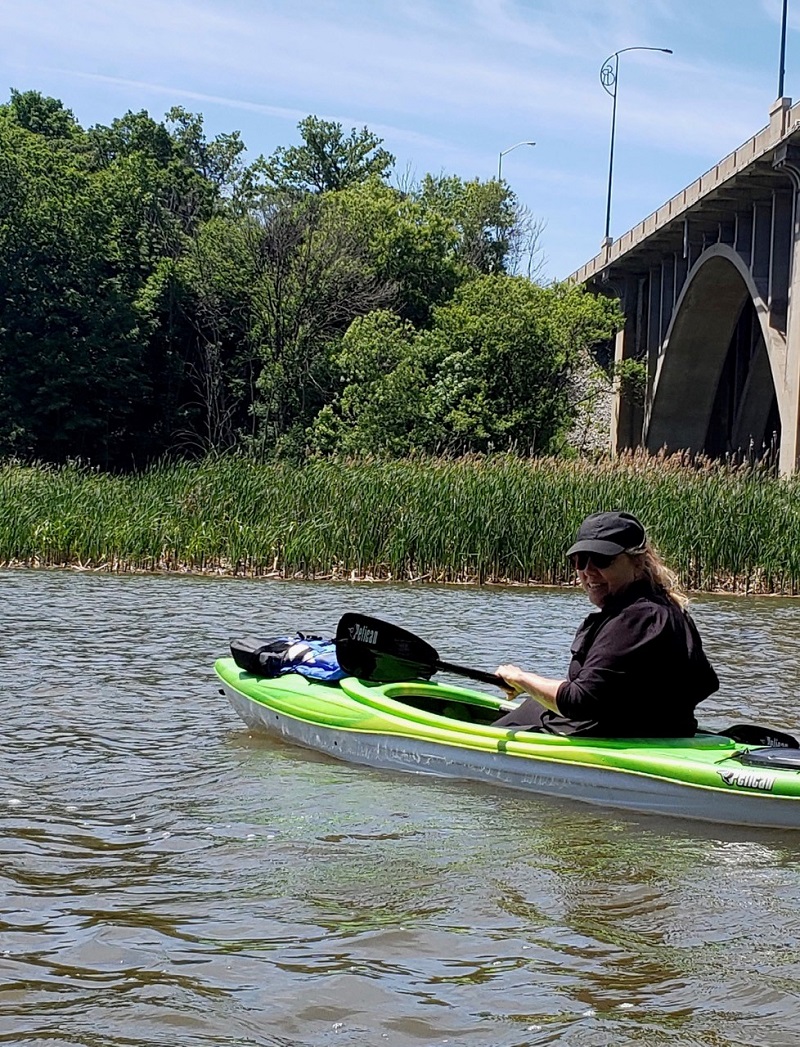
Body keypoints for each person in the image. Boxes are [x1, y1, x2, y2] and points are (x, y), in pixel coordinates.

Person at [493, 510, 719, 737]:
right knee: (534, 706)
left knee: (520, 717)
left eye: (602, 560)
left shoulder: (635, 619)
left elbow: (578, 702)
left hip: (609, 737)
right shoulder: (667, 608)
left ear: (638, 562)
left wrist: (521, 678)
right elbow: (706, 683)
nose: (588, 572)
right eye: (580, 561)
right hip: (663, 733)